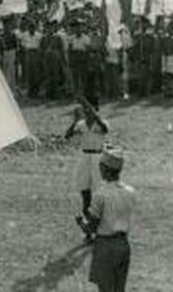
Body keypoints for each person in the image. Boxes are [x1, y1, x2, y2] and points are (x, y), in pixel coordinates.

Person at [76, 147, 135, 292]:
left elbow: (92, 228)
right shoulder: (129, 192)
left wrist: (81, 223)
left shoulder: (100, 195)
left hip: (105, 247)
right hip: (124, 245)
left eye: (101, 166)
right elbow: (114, 214)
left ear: (105, 169)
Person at [65, 96, 109, 242]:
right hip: (84, 157)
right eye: (85, 109)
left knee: (97, 195)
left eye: (89, 108)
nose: (87, 111)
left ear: (96, 110)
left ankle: (99, 229)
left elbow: (105, 129)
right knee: (85, 193)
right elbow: (67, 136)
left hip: (97, 158)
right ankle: (89, 231)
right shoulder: (81, 124)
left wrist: (87, 105)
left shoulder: (101, 123)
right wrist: (75, 122)